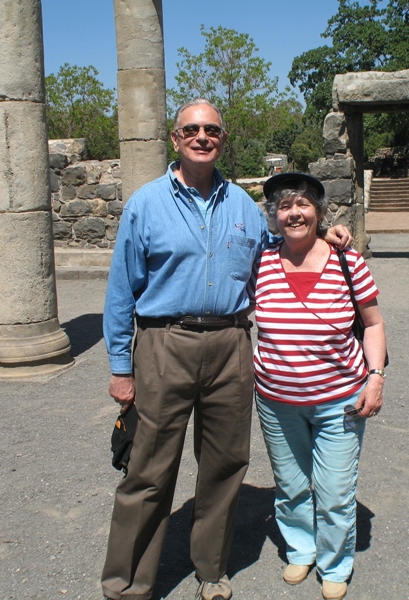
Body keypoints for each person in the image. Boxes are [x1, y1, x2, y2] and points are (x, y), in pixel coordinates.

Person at [100, 100, 351, 600]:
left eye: (210, 129)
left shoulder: (242, 206)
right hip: (163, 342)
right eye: (190, 129)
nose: (201, 136)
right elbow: (120, 291)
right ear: (175, 139)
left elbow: (285, 244)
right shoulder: (145, 204)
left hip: (232, 344)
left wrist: (325, 232)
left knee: (224, 464)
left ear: (222, 138)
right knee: (148, 468)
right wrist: (120, 367)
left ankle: (211, 572)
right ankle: (127, 585)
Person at [253, 172, 387, 600]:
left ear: (319, 212)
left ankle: (335, 563)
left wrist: (376, 378)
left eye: (304, 204)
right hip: (277, 402)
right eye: (285, 206)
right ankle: (300, 548)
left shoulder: (348, 261)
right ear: (273, 216)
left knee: (333, 491)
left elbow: (374, 323)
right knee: (291, 484)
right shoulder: (260, 260)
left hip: (340, 399)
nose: (294, 213)